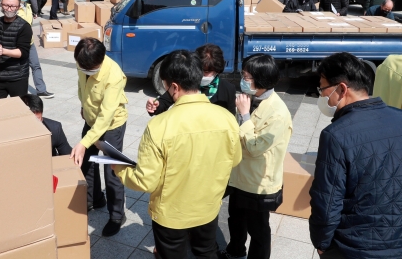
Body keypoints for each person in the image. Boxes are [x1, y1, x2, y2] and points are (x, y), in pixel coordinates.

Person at [113, 50, 241, 258]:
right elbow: (235, 159)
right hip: (208, 207)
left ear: (173, 86)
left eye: (164, 84)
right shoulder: (226, 118)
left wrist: (120, 169)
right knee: (206, 251)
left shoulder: (159, 126)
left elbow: (146, 182)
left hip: (172, 214)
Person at [309, 52, 402, 259]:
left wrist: (322, 243)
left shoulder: (336, 135)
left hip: (353, 248)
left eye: (322, 89)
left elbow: (327, 202)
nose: (321, 96)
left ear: (341, 88)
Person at [220, 54, 292, 259]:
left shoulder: (277, 112)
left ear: (262, 79)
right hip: (239, 175)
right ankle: (235, 251)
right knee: (235, 218)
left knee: (258, 230)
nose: (243, 80)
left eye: (247, 76)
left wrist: (244, 115)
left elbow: (254, 147)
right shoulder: (251, 97)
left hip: (258, 182)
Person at [70, 38, 128, 237]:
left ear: (101, 61)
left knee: (112, 171)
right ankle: (94, 200)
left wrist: (84, 142)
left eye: (91, 68)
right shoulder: (82, 62)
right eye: (82, 67)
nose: (85, 70)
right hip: (91, 119)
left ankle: (116, 216)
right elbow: (82, 88)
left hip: (111, 126)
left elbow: (106, 117)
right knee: (87, 163)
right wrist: (83, 107)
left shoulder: (114, 76)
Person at [146, 43, 236, 116]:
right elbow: (165, 101)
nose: (202, 75)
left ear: (217, 70)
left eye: (207, 72)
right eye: (200, 69)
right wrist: (155, 106)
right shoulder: (184, 83)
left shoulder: (228, 89)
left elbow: (231, 116)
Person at [0, 0, 32, 100]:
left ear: (18, 7)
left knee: (19, 110)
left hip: (17, 76)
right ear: (1, 5)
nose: (9, 9)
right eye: (6, 5)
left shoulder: (24, 27)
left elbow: (23, 52)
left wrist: (3, 51)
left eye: (13, 6)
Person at [16, 0, 53, 99]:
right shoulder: (15, 8)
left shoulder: (28, 6)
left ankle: (41, 90)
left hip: (30, 42)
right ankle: (20, 93)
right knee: (22, 68)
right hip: (19, 44)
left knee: (36, 65)